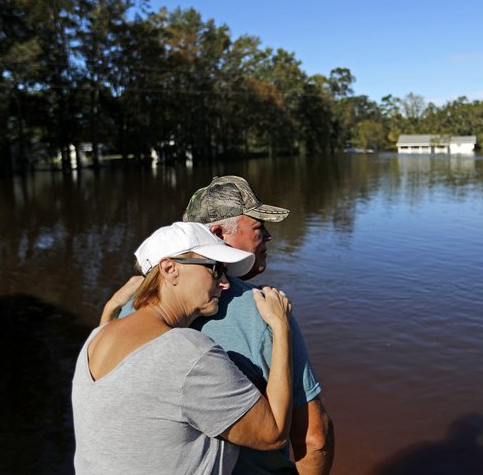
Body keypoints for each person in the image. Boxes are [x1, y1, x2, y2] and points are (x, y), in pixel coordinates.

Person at [104, 176, 334, 475]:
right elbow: (314, 438)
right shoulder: (262, 311)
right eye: (258, 228)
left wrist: (110, 311)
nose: (268, 237)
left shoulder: (131, 309)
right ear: (216, 233)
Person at [74, 222, 293, 474]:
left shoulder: (95, 339)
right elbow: (273, 433)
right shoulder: (188, 353)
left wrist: (110, 309)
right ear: (170, 269)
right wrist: (280, 326)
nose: (225, 283)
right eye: (215, 269)